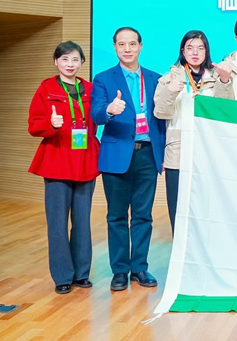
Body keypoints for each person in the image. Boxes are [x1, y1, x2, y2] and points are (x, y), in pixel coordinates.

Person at [91, 27, 165, 292]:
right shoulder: (103, 78)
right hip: (116, 155)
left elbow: (162, 120)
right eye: (121, 44)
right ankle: (120, 270)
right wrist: (109, 110)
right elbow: (96, 114)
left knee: (143, 215)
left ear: (140, 46)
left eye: (132, 44)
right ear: (114, 47)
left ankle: (140, 268)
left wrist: (162, 153)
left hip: (147, 153)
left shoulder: (156, 79)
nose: (127, 49)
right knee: (117, 216)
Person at [27, 41, 100, 294]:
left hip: (85, 161)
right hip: (56, 160)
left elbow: (98, 116)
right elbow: (33, 125)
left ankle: (81, 273)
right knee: (57, 222)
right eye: (65, 59)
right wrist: (51, 123)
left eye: (75, 59)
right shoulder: (46, 88)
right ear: (56, 61)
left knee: (82, 220)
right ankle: (62, 276)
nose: (70, 64)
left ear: (82, 62)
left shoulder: (90, 89)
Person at [154, 30, 217, 234]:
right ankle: (180, 249)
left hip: (208, 150)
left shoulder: (217, 79)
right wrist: (171, 90)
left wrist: (225, 84)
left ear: (206, 51)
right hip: (178, 151)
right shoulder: (168, 79)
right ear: (182, 51)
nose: (195, 52)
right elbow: (161, 112)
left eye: (200, 48)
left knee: (207, 206)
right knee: (178, 206)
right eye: (190, 48)